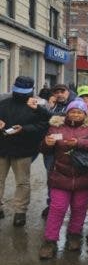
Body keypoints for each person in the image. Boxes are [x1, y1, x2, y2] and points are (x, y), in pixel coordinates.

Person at [39, 99, 88, 259]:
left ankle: (74, 235)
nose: (75, 114)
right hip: (60, 176)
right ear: (67, 112)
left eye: (79, 112)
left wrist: (80, 143)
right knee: (57, 208)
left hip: (84, 176)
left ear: (85, 114)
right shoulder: (56, 126)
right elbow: (44, 149)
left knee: (79, 208)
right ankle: (50, 241)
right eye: (72, 111)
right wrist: (47, 143)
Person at [0, 76, 50, 225]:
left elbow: (44, 125)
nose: (20, 94)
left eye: (24, 91)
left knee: (22, 182)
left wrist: (24, 129)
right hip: (1, 147)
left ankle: (20, 212)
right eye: (18, 90)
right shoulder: (3, 102)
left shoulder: (38, 105)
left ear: (32, 91)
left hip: (23, 149)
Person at [41, 83, 77, 218]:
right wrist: (48, 107)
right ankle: (52, 204)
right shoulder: (51, 104)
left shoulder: (75, 104)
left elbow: (63, 117)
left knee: (72, 177)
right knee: (51, 177)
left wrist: (47, 111)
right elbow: (44, 122)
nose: (60, 94)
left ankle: (73, 208)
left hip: (68, 148)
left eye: (63, 91)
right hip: (51, 148)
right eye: (57, 92)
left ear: (68, 92)